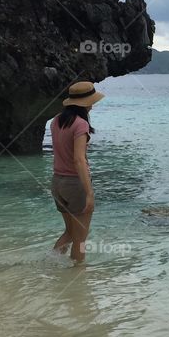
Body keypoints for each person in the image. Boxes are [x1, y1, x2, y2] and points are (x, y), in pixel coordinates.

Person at [50, 80, 104, 263]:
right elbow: (79, 159)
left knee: (70, 233)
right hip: (75, 184)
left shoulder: (56, 120)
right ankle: (78, 280)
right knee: (80, 240)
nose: (92, 105)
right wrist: (89, 193)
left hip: (57, 182)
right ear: (86, 103)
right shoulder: (81, 125)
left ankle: (51, 265)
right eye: (91, 101)